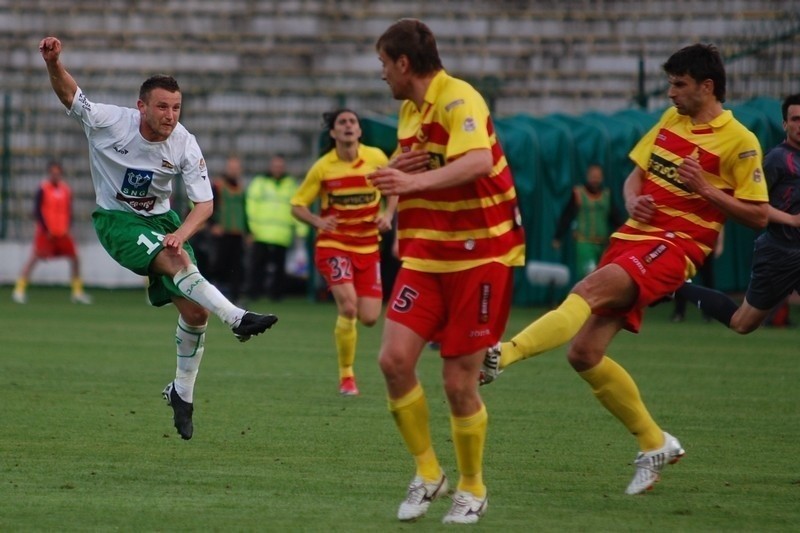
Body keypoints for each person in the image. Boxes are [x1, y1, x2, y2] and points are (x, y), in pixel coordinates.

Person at [480, 43, 769, 495]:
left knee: (588, 289)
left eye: (679, 85)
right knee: (584, 354)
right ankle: (655, 443)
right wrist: (633, 197)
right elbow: (635, 172)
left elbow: (758, 214)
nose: (670, 93)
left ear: (707, 87)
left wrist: (705, 189)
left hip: (675, 247)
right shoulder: (670, 121)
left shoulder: (740, 140)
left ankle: (503, 354)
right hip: (632, 238)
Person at [38, 36, 278, 441]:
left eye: (176, 107)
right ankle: (237, 317)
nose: (170, 115)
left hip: (164, 221)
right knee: (178, 264)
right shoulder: (109, 121)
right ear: (142, 106)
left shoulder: (184, 142)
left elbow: (204, 204)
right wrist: (54, 62)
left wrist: (180, 233)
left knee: (195, 313)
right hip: (118, 222)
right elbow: (70, 95)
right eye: (162, 106)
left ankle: (181, 394)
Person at [368, 19, 526, 524]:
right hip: (427, 257)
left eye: (383, 65)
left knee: (459, 383)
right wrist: (395, 177)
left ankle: (473, 487)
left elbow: (478, 161)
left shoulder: (461, 99)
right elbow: (419, 164)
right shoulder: (412, 112)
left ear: (404, 63)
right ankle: (428, 473)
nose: (382, 76)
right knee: (394, 361)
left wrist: (409, 185)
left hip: (481, 256)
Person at [291, 108, 397, 396]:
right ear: (334, 133)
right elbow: (297, 204)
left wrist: (388, 214)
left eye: (353, 122)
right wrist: (317, 221)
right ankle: (347, 377)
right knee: (348, 306)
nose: (349, 126)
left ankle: (347, 365)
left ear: (360, 131)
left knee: (370, 317)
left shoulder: (376, 158)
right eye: (342, 123)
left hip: (368, 246)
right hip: (334, 244)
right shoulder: (324, 167)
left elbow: (393, 188)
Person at [675, 93, 800, 333]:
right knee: (742, 323)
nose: (799, 124)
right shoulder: (777, 159)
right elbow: (752, 205)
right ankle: (677, 287)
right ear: (784, 124)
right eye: (795, 119)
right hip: (779, 253)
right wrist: (791, 220)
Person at [12, 160, 92, 305]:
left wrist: (68, 226)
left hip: (62, 232)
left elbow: (68, 210)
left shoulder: (65, 190)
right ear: (49, 173)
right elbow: (37, 210)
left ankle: (77, 292)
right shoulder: (43, 188)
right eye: (53, 173)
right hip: (47, 232)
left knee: (75, 259)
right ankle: (19, 290)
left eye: (58, 173)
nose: (55, 175)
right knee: (34, 259)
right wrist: (44, 228)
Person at [245, 154, 306, 301]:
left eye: (280, 166)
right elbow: (251, 205)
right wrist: (252, 228)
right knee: (258, 265)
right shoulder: (260, 182)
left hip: (281, 233)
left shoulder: (290, 184)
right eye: (275, 165)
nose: (277, 168)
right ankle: (255, 292)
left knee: (279, 267)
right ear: (271, 166)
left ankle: (276, 294)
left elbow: (296, 206)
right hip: (262, 232)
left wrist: (301, 229)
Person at [553, 164, 620, 277]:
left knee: (602, 277)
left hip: (603, 244)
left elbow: (616, 218)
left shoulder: (607, 195)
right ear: (587, 176)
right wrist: (558, 236)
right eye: (593, 176)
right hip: (585, 243)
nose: (595, 180)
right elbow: (567, 216)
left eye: (598, 177)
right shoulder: (578, 193)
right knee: (589, 275)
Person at [210, 155, 248, 304]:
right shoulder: (218, 186)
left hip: (237, 233)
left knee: (237, 267)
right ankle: (214, 295)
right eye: (231, 168)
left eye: (236, 168)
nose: (234, 171)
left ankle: (235, 298)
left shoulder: (241, 188)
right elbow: (208, 206)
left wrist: (248, 231)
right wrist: (213, 224)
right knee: (219, 265)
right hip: (222, 233)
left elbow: (244, 210)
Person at [671, 227, 723, 322]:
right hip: (685, 245)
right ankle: (679, 313)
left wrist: (720, 244)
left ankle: (708, 314)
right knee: (680, 279)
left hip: (704, 246)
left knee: (707, 280)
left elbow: (720, 223)